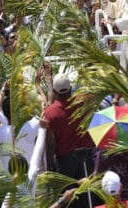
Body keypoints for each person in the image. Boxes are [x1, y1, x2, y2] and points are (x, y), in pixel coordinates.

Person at [43, 72, 97, 208]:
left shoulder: (50, 113)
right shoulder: (85, 100)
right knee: (89, 198)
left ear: (55, 91)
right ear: (71, 88)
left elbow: (51, 145)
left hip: (65, 162)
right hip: (88, 158)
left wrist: (49, 167)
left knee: (68, 200)